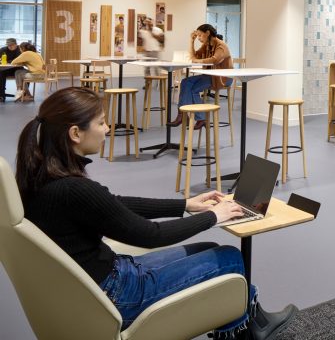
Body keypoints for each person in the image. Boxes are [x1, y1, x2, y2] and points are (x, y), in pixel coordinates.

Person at [16, 87, 297, 339]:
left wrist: (185, 205)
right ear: (75, 133)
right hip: (118, 292)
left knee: (210, 248)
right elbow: (150, 235)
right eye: (101, 123)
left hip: (101, 280)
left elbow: (112, 203)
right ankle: (245, 332)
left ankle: (249, 324)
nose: (108, 129)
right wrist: (215, 216)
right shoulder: (73, 188)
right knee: (229, 259)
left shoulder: (42, 176)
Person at [167, 24, 233, 130]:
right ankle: (184, 115)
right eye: (197, 36)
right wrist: (191, 41)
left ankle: (193, 117)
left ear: (207, 33)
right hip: (210, 75)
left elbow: (215, 60)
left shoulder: (221, 46)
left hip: (222, 77)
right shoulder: (206, 45)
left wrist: (197, 61)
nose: (198, 38)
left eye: (200, 35)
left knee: (192, 89)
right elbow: (193, 56)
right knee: (185, 82)